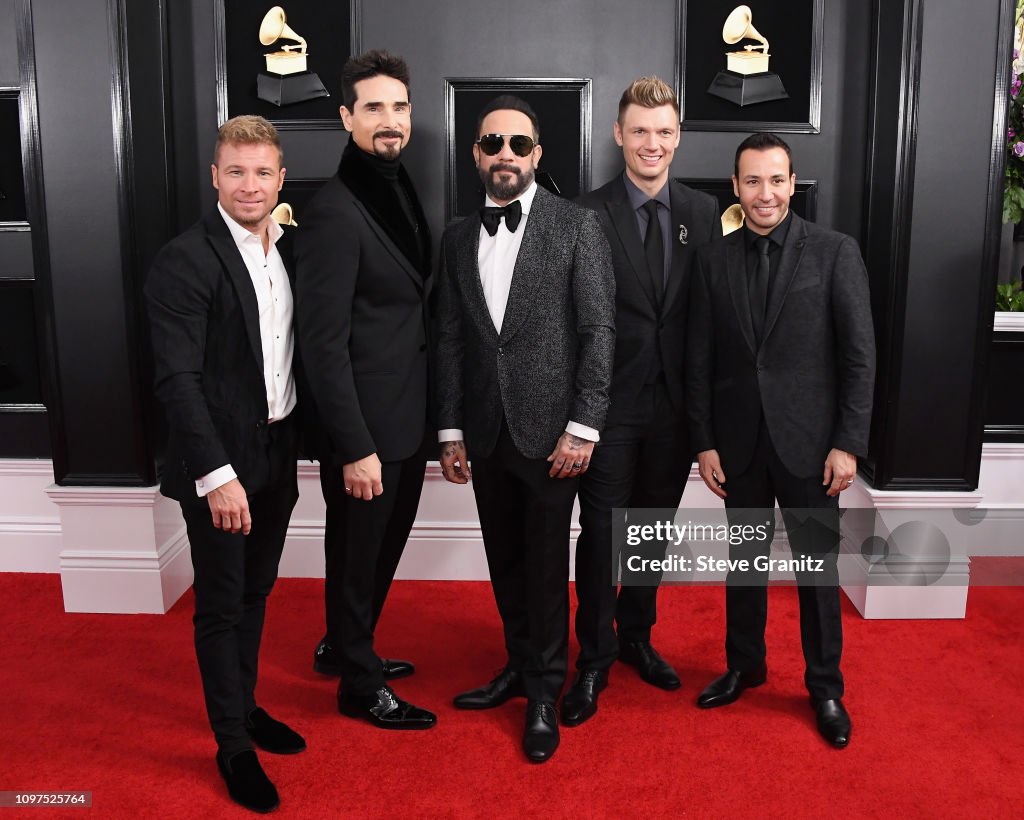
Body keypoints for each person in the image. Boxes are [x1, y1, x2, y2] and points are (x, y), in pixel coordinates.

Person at [435, 95, 615, 763]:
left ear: (537, 154)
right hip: (483, 431)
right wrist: (450, 429)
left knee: (544, 566)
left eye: (517, 143)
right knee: (504, 560)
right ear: (475, 155)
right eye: (491, 143)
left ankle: (544, 690)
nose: (503, 153)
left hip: (552, 434)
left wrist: (583, 426)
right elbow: (451, 336)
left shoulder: (577, 226)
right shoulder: (457, 235)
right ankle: (518, 666)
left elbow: (600, 332)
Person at [686, 132, 876, 748]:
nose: (764, 194)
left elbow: (859, 358)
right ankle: (745, 666)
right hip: (737, 445)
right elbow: (699, 359)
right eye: (752, 181)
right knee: (744, 565)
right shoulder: (713, 259)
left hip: (813, 448)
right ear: (736, 187)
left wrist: (847, 443)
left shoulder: (835, 252)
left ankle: (825, 686)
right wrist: (705, 441)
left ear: (792, 184)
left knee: (816, 574)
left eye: (775, 180)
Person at [145, 115, 303, 813]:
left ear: (280, 178)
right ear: (214, 176)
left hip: (276, 450)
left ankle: (246, 706)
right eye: (235, 172)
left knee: (255, 592)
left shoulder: (284, 250)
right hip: (221, 467)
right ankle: (232, 745)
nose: (249, 185)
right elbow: (176, 380)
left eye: (261, 172)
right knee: (220, 605)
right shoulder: (186, 258)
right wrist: (217, 476)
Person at [569, 76, 720, 726]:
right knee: (602, 537)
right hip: (605, 410)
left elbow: (714, 318)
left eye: (663, 132)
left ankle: (637, 637)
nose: (651, 143)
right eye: (639, 131)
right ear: (619, 135)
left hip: (675, 412)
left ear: (677, 136)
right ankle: (593, 660)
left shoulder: (705, 213)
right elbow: (571, 319)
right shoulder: (586, 213)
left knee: (650, 536)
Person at [293, 49, 435, 730]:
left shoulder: (394, 184)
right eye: (374, 107)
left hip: (404, 417)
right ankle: (357, 684)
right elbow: (320, 344)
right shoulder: (333, 210)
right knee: (356, 555)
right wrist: (353, 446)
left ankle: (347, 647)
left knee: (379, 551)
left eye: (400, 107)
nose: (390, 120)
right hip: (364, 433)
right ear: (346, 115)